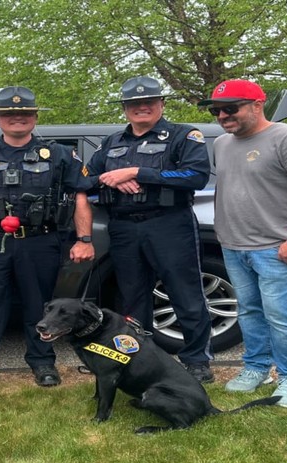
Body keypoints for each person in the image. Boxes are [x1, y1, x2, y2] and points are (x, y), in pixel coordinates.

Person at [0, 86, 94, 388]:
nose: (17, 118)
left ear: (35, 117)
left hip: (41, 240)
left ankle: (42, 363)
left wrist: (84, 239)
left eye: (24, 113)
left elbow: (80, 198)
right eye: (9, 114)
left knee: (39, 306)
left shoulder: (60, 155)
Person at [199, 79, 287, 408]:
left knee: (281, 313)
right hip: (233, 245)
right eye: (217, 110)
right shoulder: (222, 145)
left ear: (258, 105)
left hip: (276, 246)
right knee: (249, 311)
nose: (223, 116)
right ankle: (257, 368)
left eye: (231, 108)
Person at [83, 76, 215, 383]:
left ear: (161, 104)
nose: (141, 108)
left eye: (148, 102)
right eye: (134, 104)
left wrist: (139, 172)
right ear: (125, 108)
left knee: (185, 293)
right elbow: (86, 179)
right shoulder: (112, 142)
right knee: (132, 298)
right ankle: (142, 359)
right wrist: (111, 176)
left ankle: (196, 360)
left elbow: (195, 176)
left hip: (169, 224)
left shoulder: (184, 135)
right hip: (124, 227)